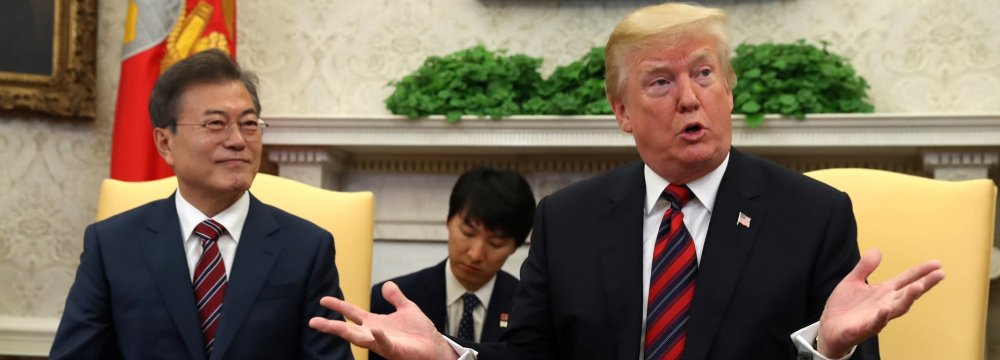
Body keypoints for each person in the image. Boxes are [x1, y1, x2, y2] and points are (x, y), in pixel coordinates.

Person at [308, 3, 945, 360]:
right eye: (661, 82)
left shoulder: (812, 215)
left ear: (729, 89)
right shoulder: (568, 219)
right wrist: (450, 356)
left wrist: (831, 350)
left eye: (703, 74)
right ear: (622, 112)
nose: (690, 99)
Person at [50, 49, 353, 360]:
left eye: (249, 124)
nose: (238, 140)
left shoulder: (306, 249)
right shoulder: (112, 245)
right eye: (216, 124)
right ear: (165, 143)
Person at [369, 167, 535, 360]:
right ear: (448, 221)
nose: (475, 254)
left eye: (495, 243)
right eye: (467, 233)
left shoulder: (527, 310)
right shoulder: (394, 301)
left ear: (515, 246)